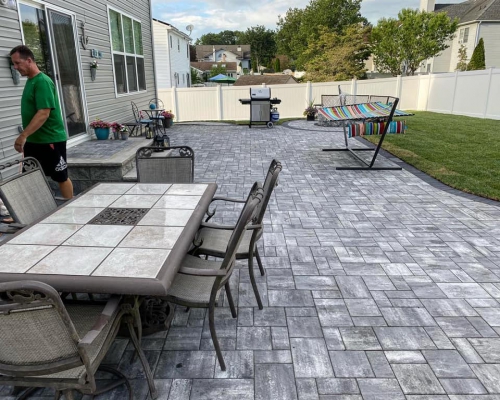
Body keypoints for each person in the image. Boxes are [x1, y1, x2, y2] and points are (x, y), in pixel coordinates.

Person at [9, 45, 73, 199]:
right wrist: (27, 137)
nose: (15, 67)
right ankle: (36, 210)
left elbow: (43, 113)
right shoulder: (31, 81)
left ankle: (71, 207)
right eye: (13, 64)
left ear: (29, 60)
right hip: (34, 141)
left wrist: (22, 136)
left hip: (50, 140)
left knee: (61, 176)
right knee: (31, 178)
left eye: (17, 63)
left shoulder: (42, 81)